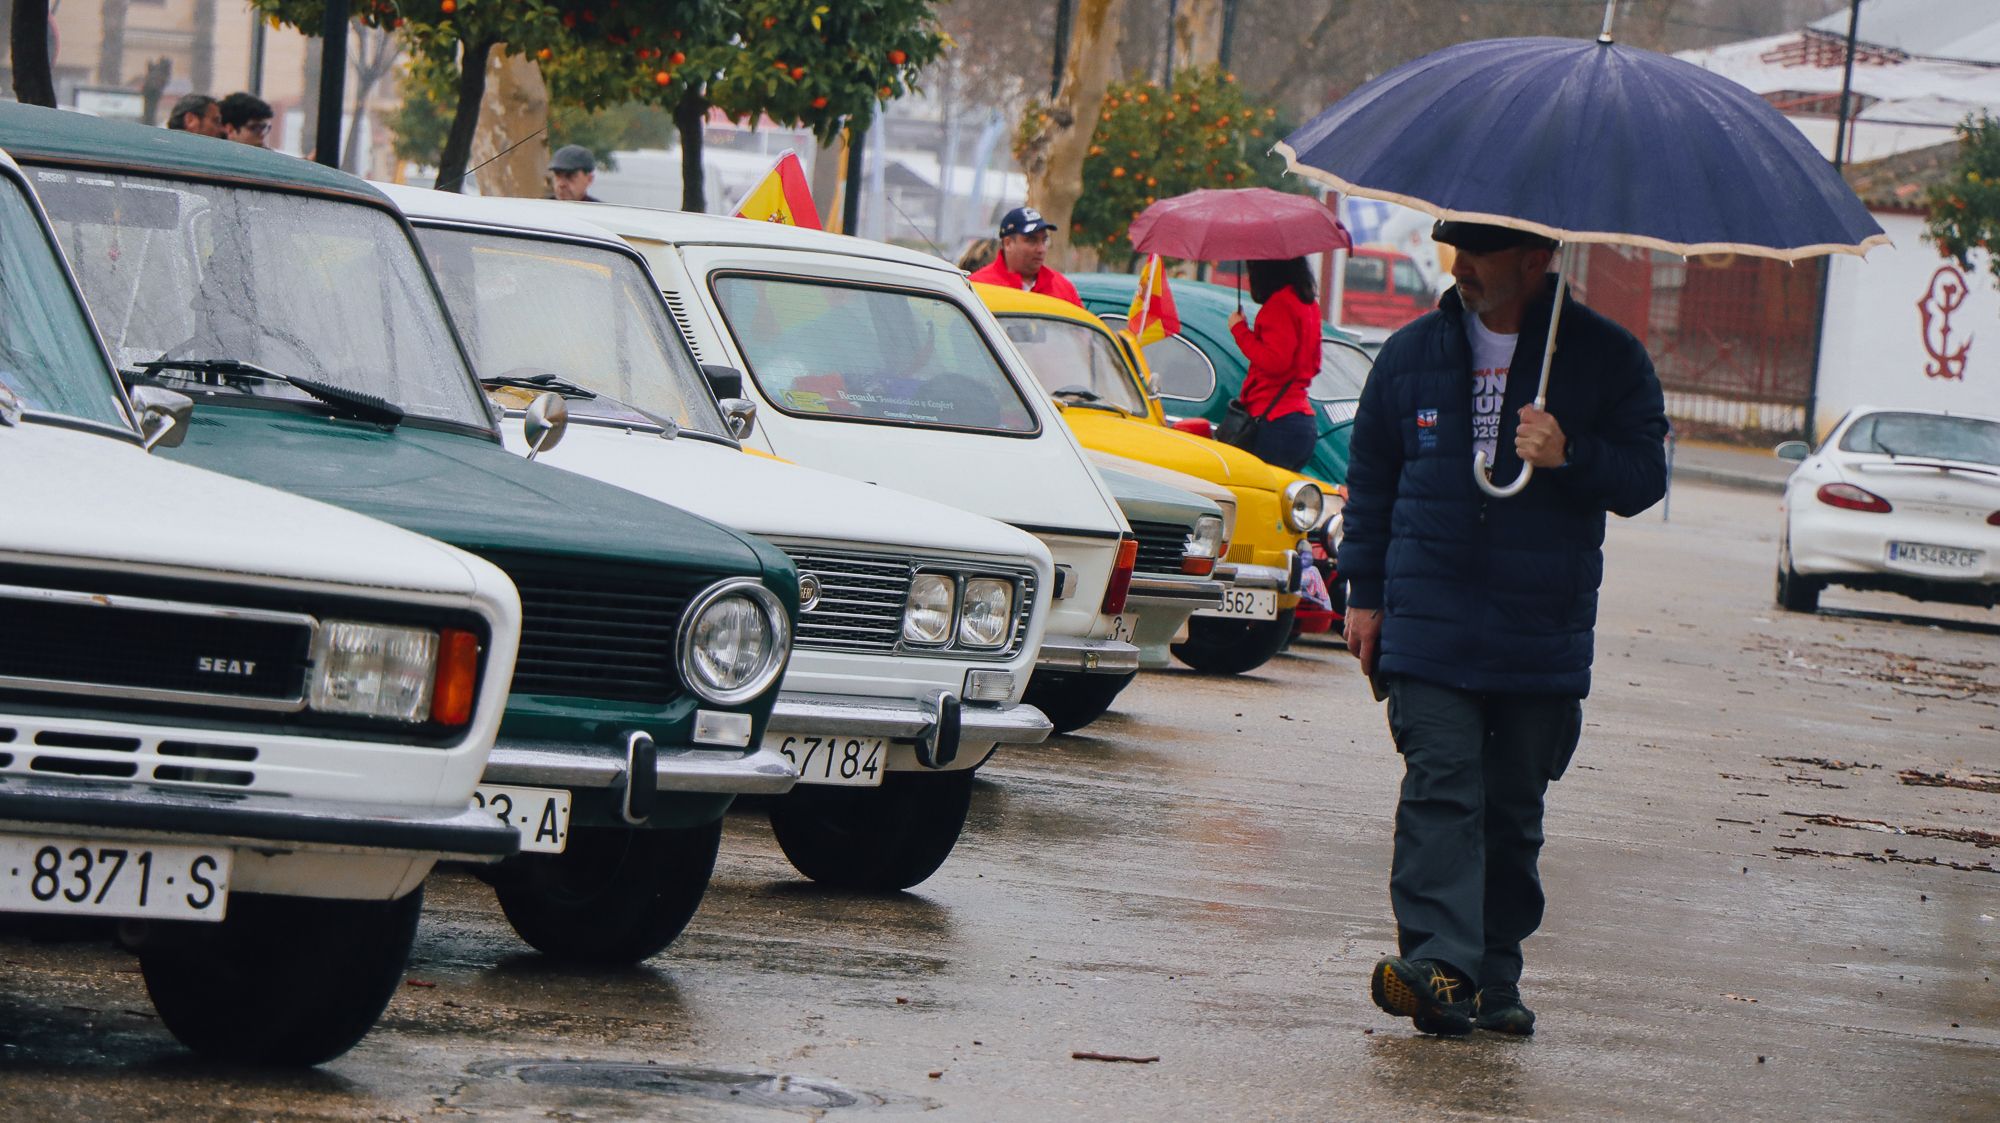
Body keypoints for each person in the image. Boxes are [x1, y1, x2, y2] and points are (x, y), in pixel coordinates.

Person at [1339, 220, 1667, 1038]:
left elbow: (1642, 478)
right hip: (1430, 620)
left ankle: (1490, 976)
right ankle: (1438, 965)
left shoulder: (1604, 357)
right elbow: (1372, 480)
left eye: (1478, 252)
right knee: (1440, 787)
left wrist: (1571, 453)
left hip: (1538, 628)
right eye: (1454, 248)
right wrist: (1364, 595)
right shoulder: (1412, 354)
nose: (1459, 268)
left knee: (1512, 809)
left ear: (1536, 257)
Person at [1225, 257, 1321, 470]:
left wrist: (1239, 330)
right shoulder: (1309, 305)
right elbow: (1314, 364)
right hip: (1303, 423)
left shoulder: (1279, 305)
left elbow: (1275, 361)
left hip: (1275, 421)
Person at [967, 207, 1080, 306]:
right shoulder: (979, 286)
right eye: (1031, 240)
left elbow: (1080, 330)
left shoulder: (1063, 288)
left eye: (1044, 240)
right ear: (1008, 243)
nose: (1041, 249)